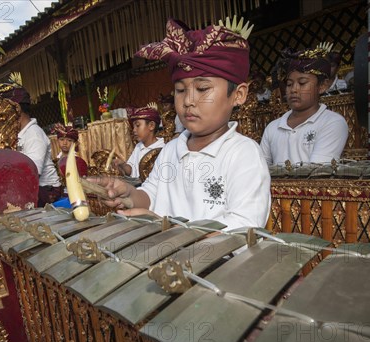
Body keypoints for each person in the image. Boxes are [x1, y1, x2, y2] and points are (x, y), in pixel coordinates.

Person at [92, 17, 271, 229]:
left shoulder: (244, 154)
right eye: (180, 90)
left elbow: (243, 229)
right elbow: (152, 195)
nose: (188, 101)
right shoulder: (171, 150)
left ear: (238, 95)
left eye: (203, 89)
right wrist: (130, 195)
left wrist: (170, 228)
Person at [260, 46, 349, 165]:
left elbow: (317, 173)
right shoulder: (273, 127)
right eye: (289, 84)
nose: (294, 90)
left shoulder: (332, 122)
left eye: (302, 83)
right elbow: (261, 170)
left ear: (322, 86)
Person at [0, 83, 62, 206]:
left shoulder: (33, 133)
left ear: (17, 110)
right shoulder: (15, 134)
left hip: (46, 189)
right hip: (30, 186)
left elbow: (32, 171)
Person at [112, 106, 165, 179]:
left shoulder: (163, 147)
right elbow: (131, 170)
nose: (134, 130)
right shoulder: (138, 146)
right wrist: (122, 164)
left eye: (137, 125)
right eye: (133, 127)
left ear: (151, 126)